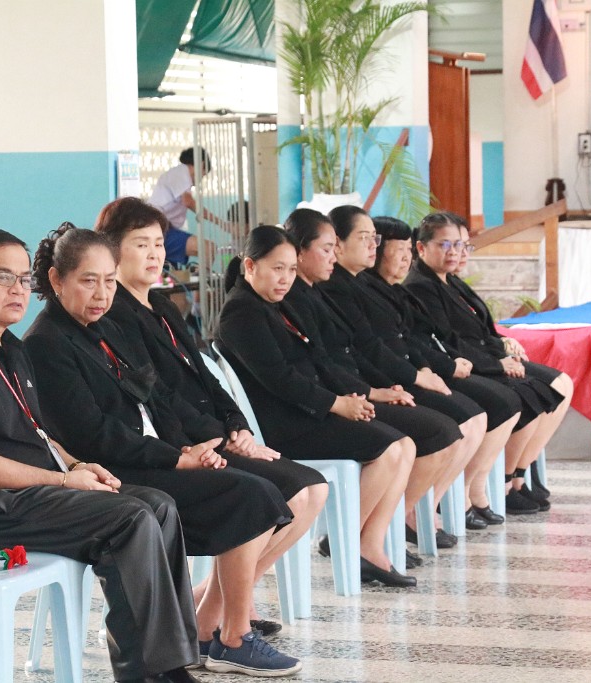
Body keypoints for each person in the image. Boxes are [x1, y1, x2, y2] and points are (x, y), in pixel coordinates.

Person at [0, 227, 202, 683]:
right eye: (3, 277)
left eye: (24, 279)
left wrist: (77, 465)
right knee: (130, 519)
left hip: (29, 496)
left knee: (158, 505)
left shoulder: (6, 347)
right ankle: (149, 672)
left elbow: (36, 433)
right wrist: (63, 480)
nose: (18, 290)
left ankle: (168, 664)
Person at [21, 223, 303, 677]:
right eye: (88, 281)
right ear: (57, 280)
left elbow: (156, 398)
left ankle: (215, 630)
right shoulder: (45, 343)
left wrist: (190, 447)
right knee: (251, 496)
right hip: (114, 472)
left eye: (109, 280)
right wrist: (176, 459)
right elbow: (94, 435)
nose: (102, 293)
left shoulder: (104, 329)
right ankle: (231, 636)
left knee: (260, 492)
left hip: (155, 455)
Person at [95, 197, 328, 636]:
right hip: (185, 443)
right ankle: (211, 618)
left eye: (159, 244)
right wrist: (218, 439)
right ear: (111, 250)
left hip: (214, 434)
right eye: (141, 244)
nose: (154, 254)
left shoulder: (162, 304)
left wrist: (238, 427)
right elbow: (159, 397)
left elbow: (206, 376)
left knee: (313, 489)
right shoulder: (116, 316)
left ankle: (208, 604)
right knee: (288, 495)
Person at [216, 226, 418, 587]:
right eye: (277, 268)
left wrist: (359, 395)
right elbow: (280, 379)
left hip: (306, 413)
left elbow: (318, 361)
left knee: (402, 444)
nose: (285, 278)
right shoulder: (241, 313)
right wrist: (336, 404)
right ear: (250, 266)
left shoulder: (275, 305)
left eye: (292, 270)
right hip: (283, 425)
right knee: (389, 449)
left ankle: (367, 544)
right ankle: (346, 542)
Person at [283, 207, 473, 551]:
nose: (373, 247)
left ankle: (373, 536)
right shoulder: (298, 297)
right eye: (327, 248)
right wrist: (369, 392)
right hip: (325, 406)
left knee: (440, 430)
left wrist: (382, 387)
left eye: (376, 239)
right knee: (430, 434)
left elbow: (356, 350)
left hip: (353, 390)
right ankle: (355, 538)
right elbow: (321, 364)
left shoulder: (318, 290)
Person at [404, 212, 574, 513]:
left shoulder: (450, 281)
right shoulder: (421, 286)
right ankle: (493, 484)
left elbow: (481, 330)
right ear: (421, 247)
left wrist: (503, 348)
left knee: (558, 385)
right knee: (523, 395)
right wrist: (498, 364)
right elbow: (449, 341)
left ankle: (517, 476)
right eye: (446, 244)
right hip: (464, 365)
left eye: (462, 245)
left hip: (484, 358)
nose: (456, 252)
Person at [361, 215, 523, 529]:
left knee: (489, 409)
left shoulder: (393, 290)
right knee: (458, 423)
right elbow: (372, 350)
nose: (406, 258)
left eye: (408, 250)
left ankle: (438, 501)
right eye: (398, 250)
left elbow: (414, 340)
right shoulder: (371, 290)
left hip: (416, 373)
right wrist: (423, 374)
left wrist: (429, 367)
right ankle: (408, 515)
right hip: (387, 383)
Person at [149, 147, 211, 267]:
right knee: (208, 248)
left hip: (164, 228)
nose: (200, 179)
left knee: (170, 269)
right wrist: (219, 222)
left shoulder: (179, 176)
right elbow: (188, 202)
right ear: (201, 164)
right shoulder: (181, 172)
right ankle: (203, 277)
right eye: (203, 174)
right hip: (160, 229)